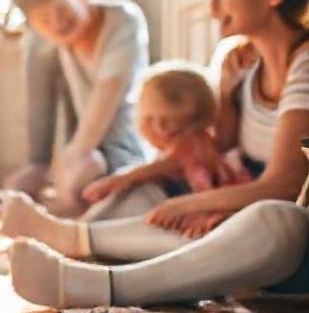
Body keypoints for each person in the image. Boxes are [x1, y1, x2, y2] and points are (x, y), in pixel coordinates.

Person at [1, 0, 309, 309]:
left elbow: (286, 183)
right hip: (233, 213)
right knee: (140, 193)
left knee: (275, 222)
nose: (213, 8)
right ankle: (73, 239)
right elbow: (217, 153)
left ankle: (105, 284)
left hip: (292, 233)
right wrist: (228, 93)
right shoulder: (243, 64)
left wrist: (190, 206)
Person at [0, 0, 152, 217]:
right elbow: (39, 97)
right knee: (71, 174)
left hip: (125, 146)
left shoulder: (123, 20)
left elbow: (110, 91)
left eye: (62, 10)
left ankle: (75, 205)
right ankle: (49, 176)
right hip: (87, 151)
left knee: (88, 171)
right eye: (44, 19)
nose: (57, 23)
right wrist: (39, 165)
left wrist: (73, 157)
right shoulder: (43, 38)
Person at [79, 60, 255, 226]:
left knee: (133, 187)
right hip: (200, 201)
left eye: (169, 121)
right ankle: (86, 226)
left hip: (213, 206)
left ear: (197, 121)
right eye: (149, 120)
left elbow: (166, 165)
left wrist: (120, 180)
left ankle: (84, 228)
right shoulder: (194, 139)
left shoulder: (192, 142)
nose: (160, 130)